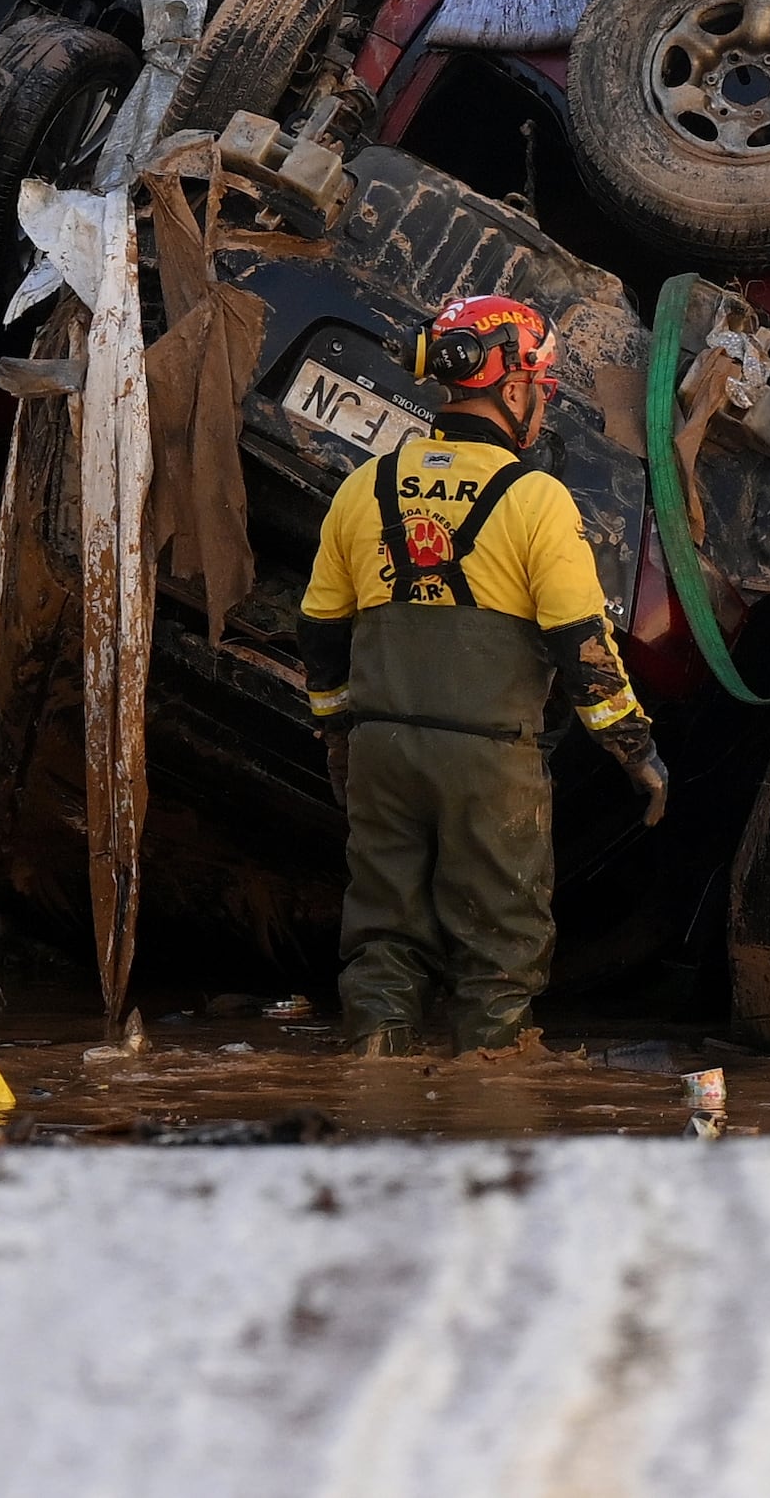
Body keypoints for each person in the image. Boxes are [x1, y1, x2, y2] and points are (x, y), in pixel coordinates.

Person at [295, 293, 668, 1056]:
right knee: (500, 952)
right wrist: (636, 751)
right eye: (542, 388)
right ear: (513, 388)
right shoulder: (536, 500)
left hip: (382, 755)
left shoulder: (362, 488)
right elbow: (582, 648)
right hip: (489, 765)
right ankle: (489, 1111)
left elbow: (321, 633)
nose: (543, 405)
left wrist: (338, 738)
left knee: (382, 942)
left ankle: (374, 1092)